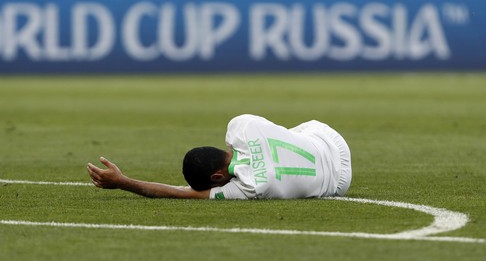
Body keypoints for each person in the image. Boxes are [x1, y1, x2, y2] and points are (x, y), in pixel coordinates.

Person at [87, 114, 352, 200]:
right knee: (282, 135)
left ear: (217, 177)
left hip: (338, 182)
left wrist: (123, 182)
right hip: (328, 137)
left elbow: (180, 193)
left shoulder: (250, 187)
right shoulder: (240, 124)